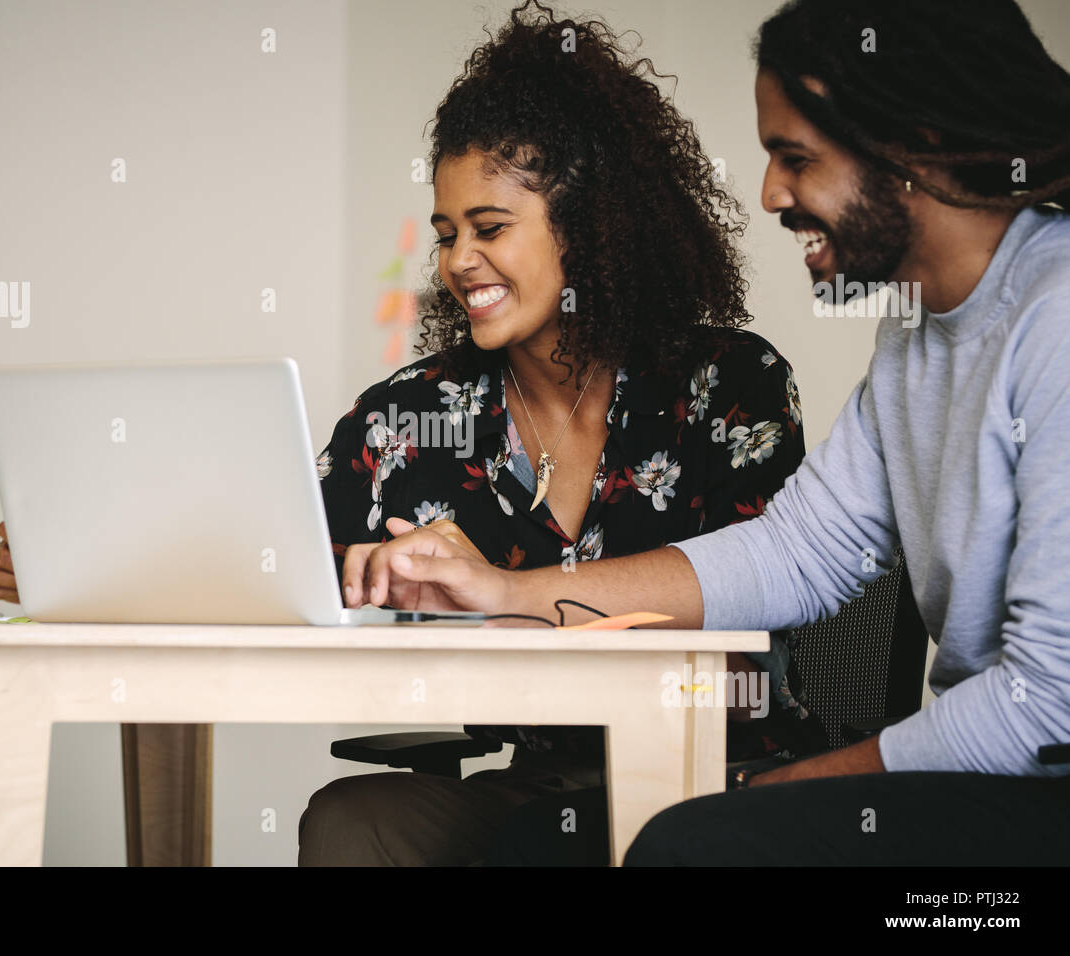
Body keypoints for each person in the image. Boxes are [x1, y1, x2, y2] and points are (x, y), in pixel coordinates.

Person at [0, 0, 824, 866]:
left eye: (491, 228)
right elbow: (267, 560)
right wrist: (89, 562)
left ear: (591, 221)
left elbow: (752, 602)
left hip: (727, 781)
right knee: (358, 822)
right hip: (538, 789)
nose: (460, 260)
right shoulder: (407, 421)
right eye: (448, 233)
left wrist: (501, 589)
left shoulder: (727, 386)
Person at [347, 0, 1070, 866]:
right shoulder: (917, 334)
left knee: (681, 849)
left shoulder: (1056, 318)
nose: (770, 194)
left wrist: (777, 791)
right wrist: (505, 593)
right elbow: (798, 552)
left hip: (1031, 799)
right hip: (976, 790)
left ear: (912, 144)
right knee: (550, 842)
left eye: (795, 159)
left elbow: (1047, 706)